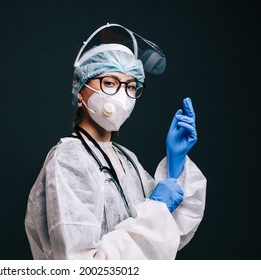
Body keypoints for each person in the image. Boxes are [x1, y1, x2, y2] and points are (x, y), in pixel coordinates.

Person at [24, 23, 206, 260]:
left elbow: (167, 235)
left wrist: (175, 167)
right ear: (80, 90)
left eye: (131, 86)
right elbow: (80, 263)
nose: (122, 95)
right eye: (109, 83)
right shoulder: (69, 160)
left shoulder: (125, 159)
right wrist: (157, 207)